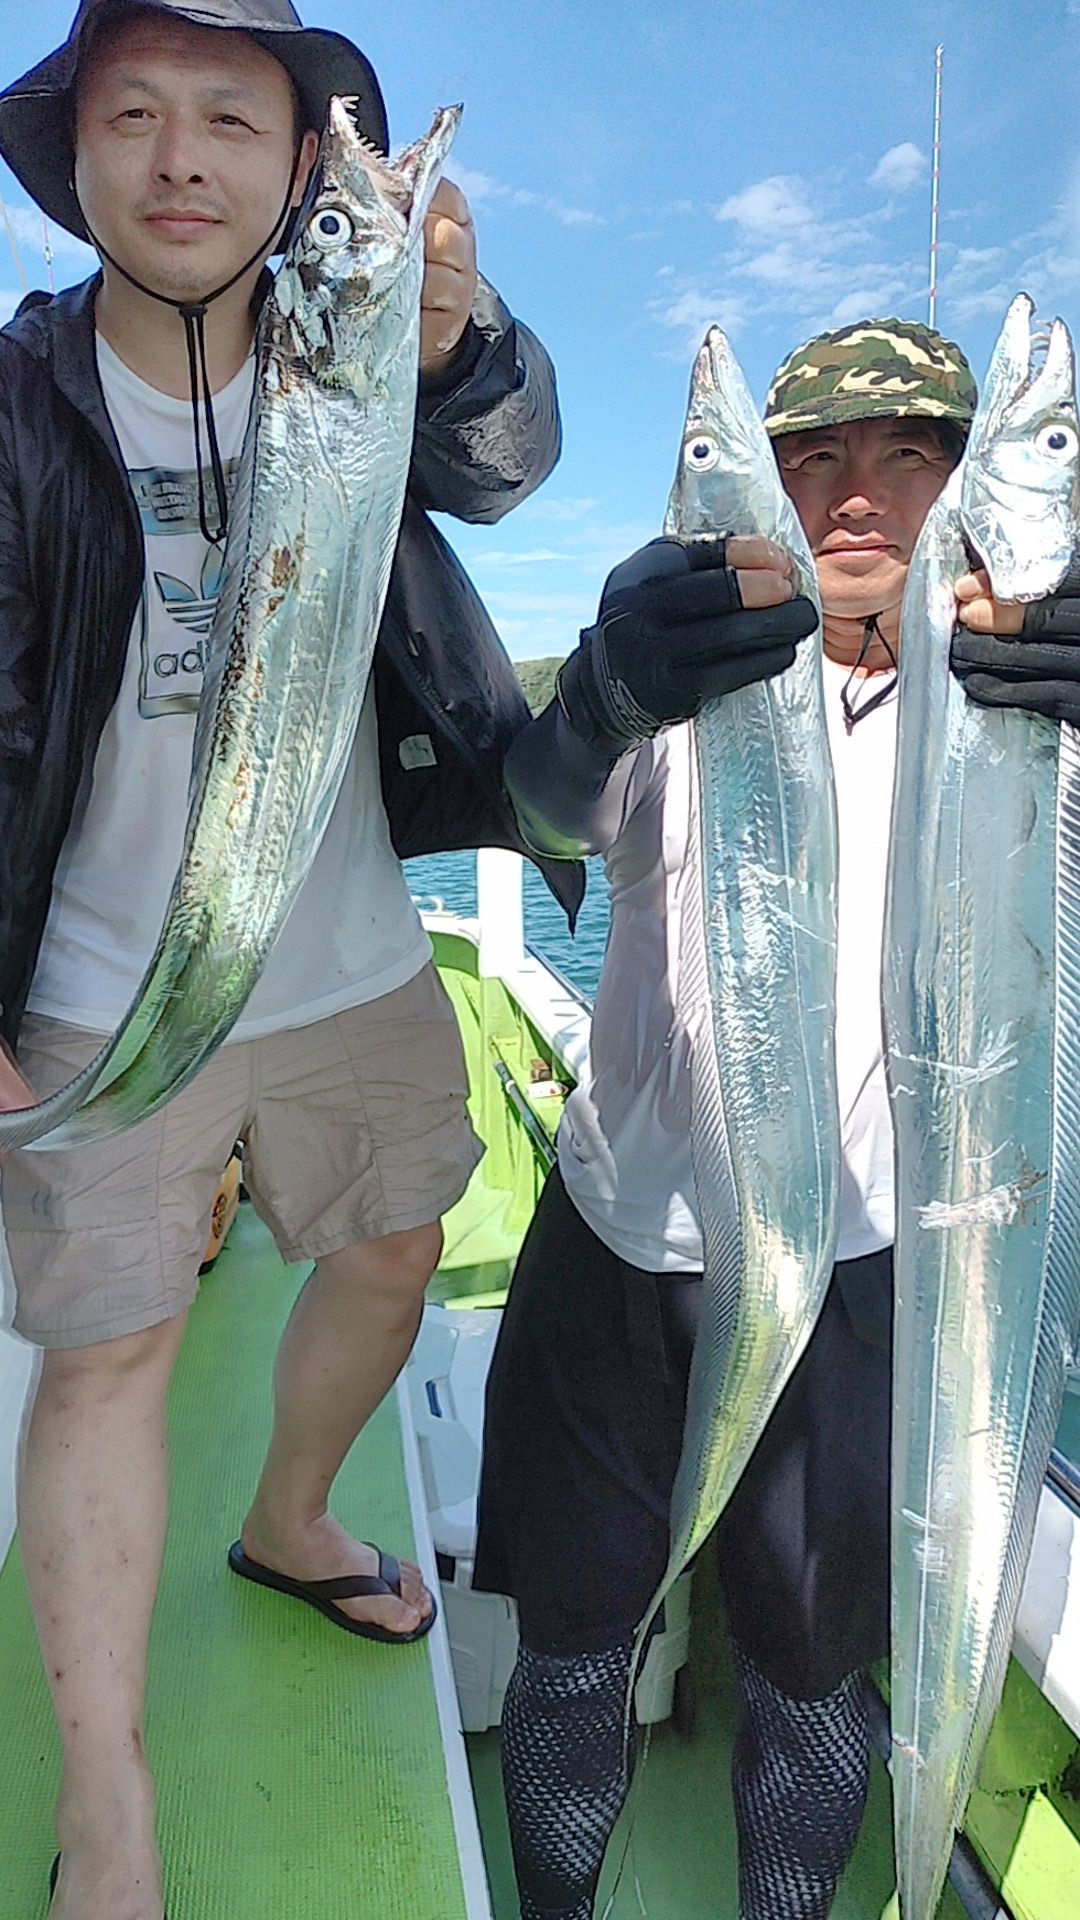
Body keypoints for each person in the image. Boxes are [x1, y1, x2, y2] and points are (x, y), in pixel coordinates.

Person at [0, 3, 578, 1914]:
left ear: (299, 170)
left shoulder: (368, 353)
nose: (182, 158)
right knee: (109, 1359)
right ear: (76, 155)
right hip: (95, 980)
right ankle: (107, 1798)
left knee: (399, 1245)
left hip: (347, 956)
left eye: (232, 120)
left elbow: (506, 462)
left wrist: (462, 342)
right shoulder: (15, 402)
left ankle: (290, 1516)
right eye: (135, 113)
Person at [474, 317, 1080, 1920]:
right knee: (573, 1653)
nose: (857, 495)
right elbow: (539, 807)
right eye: (812, 460)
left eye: (911, 455)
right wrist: (602, 695)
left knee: (811, 1680)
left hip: (858, 1276)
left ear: (968, 496)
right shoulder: (691, 671)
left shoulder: (1029, 720)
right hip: (617, 1255)